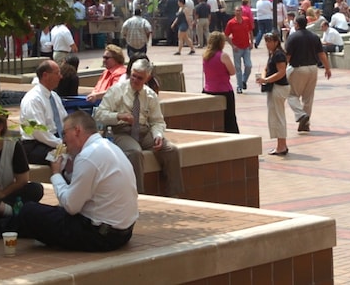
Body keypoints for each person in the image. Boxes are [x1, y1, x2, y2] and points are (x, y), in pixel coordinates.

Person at [15, 110, 138, 252]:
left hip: (102, 237)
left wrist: (55, 174)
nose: (63, 141)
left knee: (28, 211)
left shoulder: (87, 156)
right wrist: (69, 171)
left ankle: (0, 227)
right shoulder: (110, 148)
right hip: (124, 232)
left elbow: (71, 206)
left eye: (64, 134)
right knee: (50, 213)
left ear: (77, 131)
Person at [95, 59, 184, 197]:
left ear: (147, 78)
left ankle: (174, 194)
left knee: (171, 150)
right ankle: (138, 195)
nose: (135, 80)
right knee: (134, 152)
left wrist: (158, 135)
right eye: (133, 76)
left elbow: (157, 121)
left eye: (139, 78)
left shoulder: (150, 95)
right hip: (120, 131)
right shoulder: (116, 91)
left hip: (143, 131)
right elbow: (100, 114)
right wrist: (119, 116)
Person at [284, 15, 332, 133]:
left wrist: (282, 70)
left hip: (298, 68)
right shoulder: (314, 37)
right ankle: (305, 123)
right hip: (313, 68)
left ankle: (301, 115)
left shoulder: (293, 37)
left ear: (296, 24)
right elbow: (321, 54)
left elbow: (288, 56)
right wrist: (327, 68)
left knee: (291, 95)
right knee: (308, 97)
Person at [19, 60, 67, 164]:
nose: (61, 77)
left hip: (54, 140)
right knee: (65, 159)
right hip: (36, 145)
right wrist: (62, 144)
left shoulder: (54, 96)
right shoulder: (33, 99)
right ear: (45, 75)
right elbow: (39, 132)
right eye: (57, 73)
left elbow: (65, 121)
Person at [257, 32, 291, 155]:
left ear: (276, 42)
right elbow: (266, 68)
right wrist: (263, 78)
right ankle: (280, 145)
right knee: (275, 117)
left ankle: (282, 146)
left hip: (279, 87)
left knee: (278, 117)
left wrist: (266, 80)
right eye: (266, 41)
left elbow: (281, 72)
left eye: (269, 41)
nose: (267, 44)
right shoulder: (273, 54)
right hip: (274, 87)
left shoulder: (278, 54)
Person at [201, 31, 239, 133]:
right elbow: (232, 71)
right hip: (224, 90)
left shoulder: (205, 56)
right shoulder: (223, 56)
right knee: (229, 118)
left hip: (209, 90)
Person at [224, 5, 254, 93]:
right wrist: (232, 45)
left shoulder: (246, 20)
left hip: (246, 47)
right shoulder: (231, 23)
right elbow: (226, 35)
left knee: (248, 65)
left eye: (239, 11)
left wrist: (251, 42)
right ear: (234, 12)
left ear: (242, 12)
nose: (238, 12)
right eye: (237, 11)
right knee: (238, 68)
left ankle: (244, 80)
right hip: (237, 48)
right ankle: (239, 86)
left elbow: (250, 31)